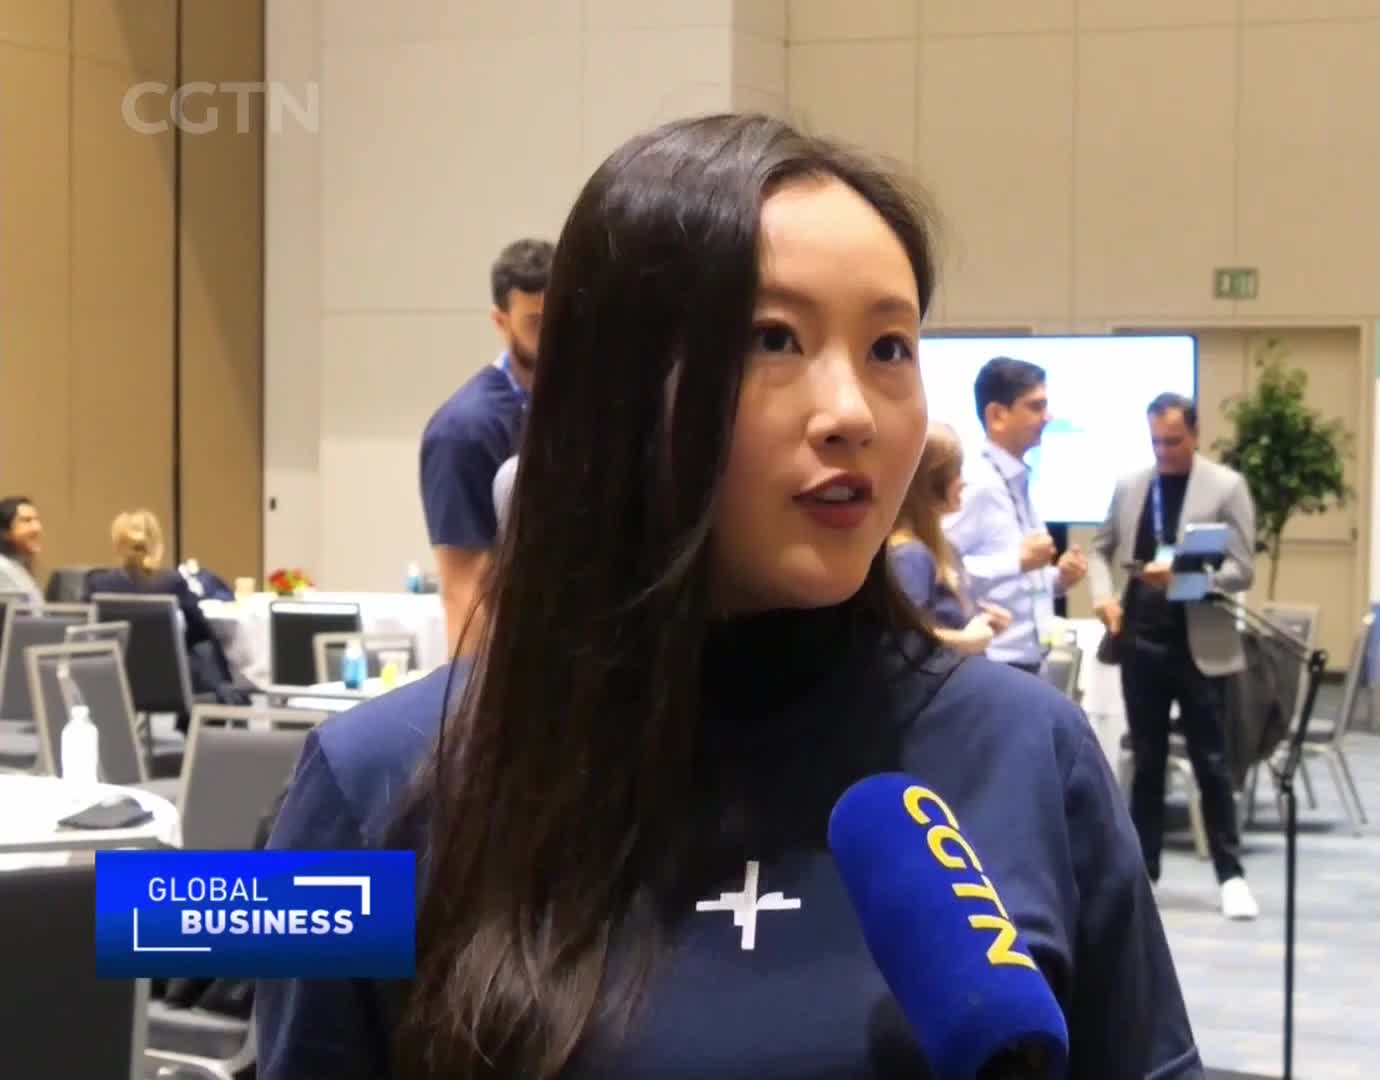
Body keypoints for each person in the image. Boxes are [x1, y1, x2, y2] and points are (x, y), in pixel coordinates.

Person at [258, 113, 1198, 1079]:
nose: (849, 413)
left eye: (889, 348)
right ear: (616, 391)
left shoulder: (1029, 754)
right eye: (773, 338)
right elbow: (167, 939)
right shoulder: (372, 783)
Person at [1087, 393, 1261, 920]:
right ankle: (1145, 873)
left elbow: (1242, 568)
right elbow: (1100, 547)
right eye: (1156, 441)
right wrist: (1103, 594)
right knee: (1147, 761)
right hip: (1142, 634)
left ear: (1195, 434)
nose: (1164, 451)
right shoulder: (1130, 485)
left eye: (1173, 441)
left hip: (1199, 640)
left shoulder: (1226, 487)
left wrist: (1185, 578)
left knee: (1212, 761)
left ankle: (1231, 875)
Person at [418, 237, 552, 655]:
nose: (554, 336)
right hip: (514, 668)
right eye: (535, 322)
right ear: (500, 321)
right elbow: (466, 591)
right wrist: (470, 709)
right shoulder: (465, 429)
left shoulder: (589, 406)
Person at [944, 357, 1088, 673]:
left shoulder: (1016, 479)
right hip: (992, 660)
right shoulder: (976, 482)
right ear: (997, 415)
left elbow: (1015, 581)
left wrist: (1058, 579)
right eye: (1035, 407)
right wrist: (1017, 562)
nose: (1047, 417)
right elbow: (941, 570)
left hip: (1028, 656)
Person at [886, 421, 1011, 654]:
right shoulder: (910, 555)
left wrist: (977, 622)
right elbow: (902, 641)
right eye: (955, 472)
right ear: (928, 482)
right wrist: (969, 640)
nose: (963, 482)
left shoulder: (936, 547)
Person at [86, 510, 235, 698]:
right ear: (156, 545)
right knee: (205, 647)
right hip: (169, 685)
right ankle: (227, 705)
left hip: (113, 684)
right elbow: (200, 631)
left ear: (117, 545)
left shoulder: (98, 584)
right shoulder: (172, 583)